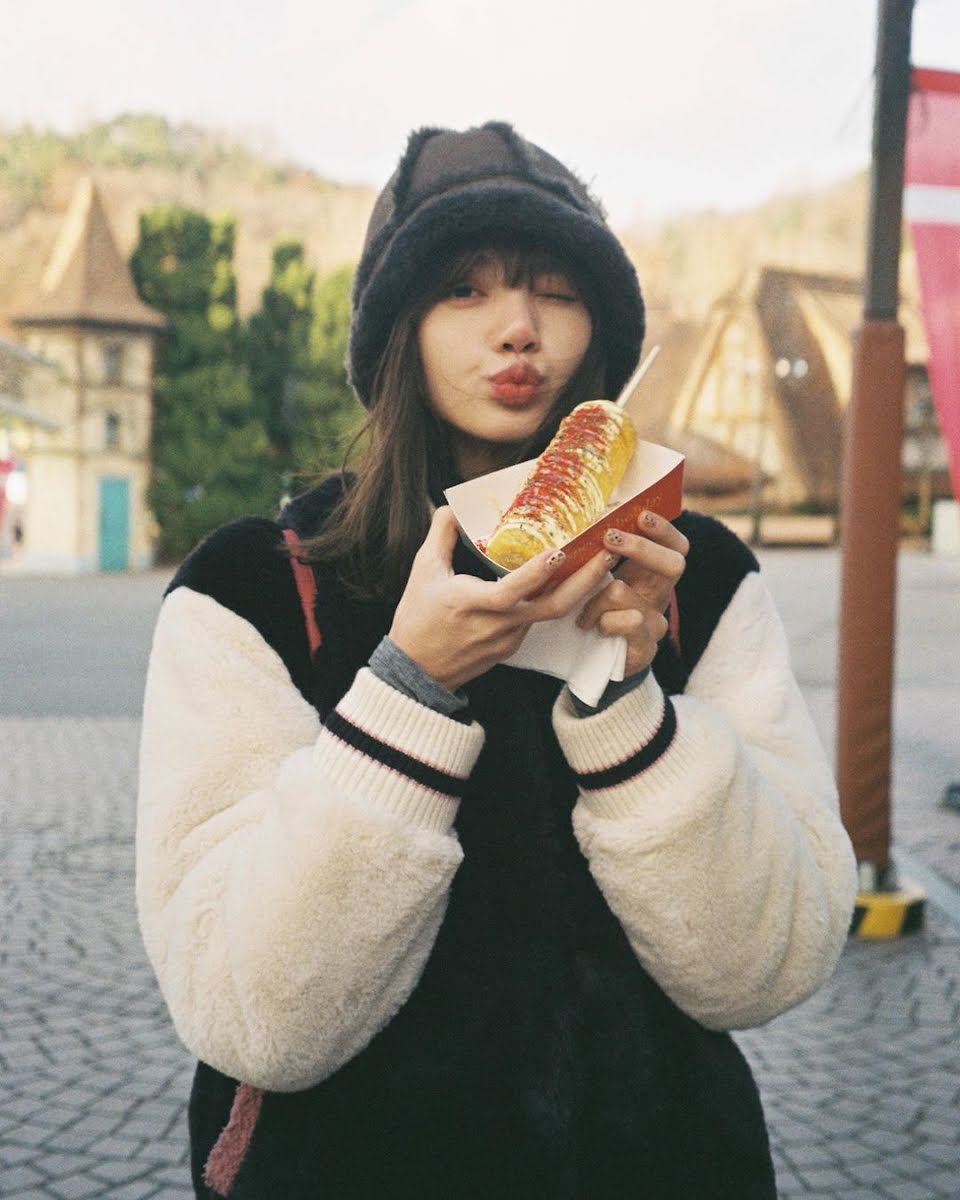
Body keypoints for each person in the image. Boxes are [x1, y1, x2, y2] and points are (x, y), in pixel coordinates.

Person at [136, 122, 857, 1200]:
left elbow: (770, 965)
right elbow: (252, 1014)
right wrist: (410, 688)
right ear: (398, 330)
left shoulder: (698, 579)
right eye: (463, 289)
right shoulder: (258, 588)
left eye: (555, 291)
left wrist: (626, 702)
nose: (518, 327)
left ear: (600, 330)